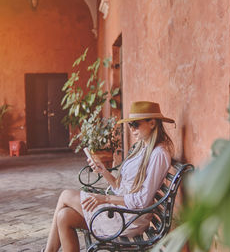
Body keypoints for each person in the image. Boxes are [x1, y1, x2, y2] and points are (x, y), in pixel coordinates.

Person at [43, 101, 175, 252]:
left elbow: (142, 200)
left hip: (130, 218)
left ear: (152, 123)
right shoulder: (142, 149)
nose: (132, 129)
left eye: (135, 124)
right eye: (130, 125)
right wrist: (104, 171)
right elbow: (121, 188)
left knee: (66, 195)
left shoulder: (158, 154)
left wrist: (105, 199)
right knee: (64, 216)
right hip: (121, 211)